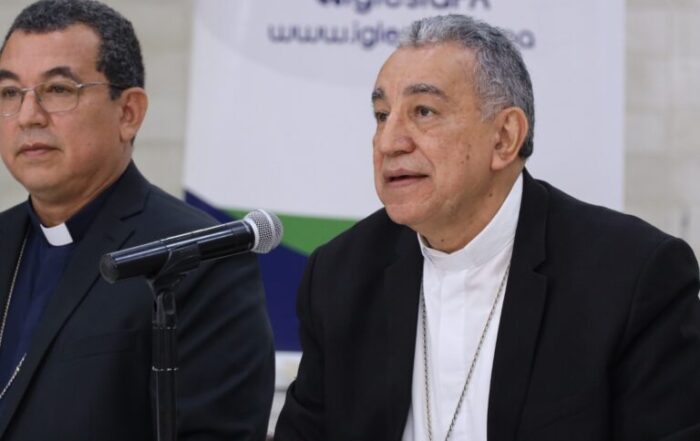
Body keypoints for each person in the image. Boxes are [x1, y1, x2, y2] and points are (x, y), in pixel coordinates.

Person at [275, 14, 700, 441]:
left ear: (504, 137)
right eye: (382, 115)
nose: (388, 142)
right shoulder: (339, 276)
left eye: (423, 111)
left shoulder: (632, 278)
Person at [0, 1, 274, 440]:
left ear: (128, 113)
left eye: (58, 89)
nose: (29, 116)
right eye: (10, 93)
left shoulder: (199, 259)